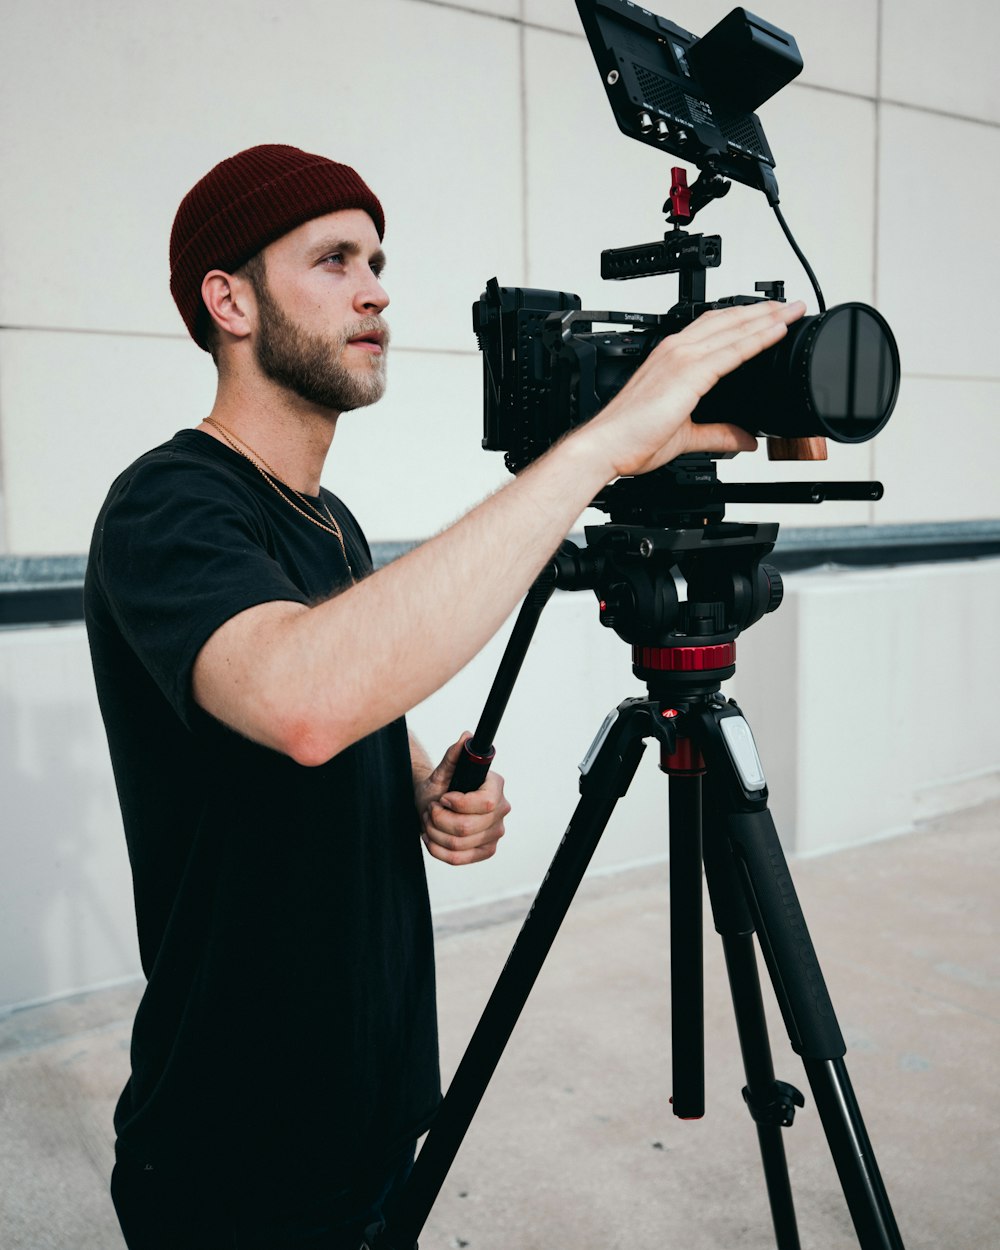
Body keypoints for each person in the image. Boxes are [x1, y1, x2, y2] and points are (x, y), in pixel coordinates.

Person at [84, 143, 803, 1249]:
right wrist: (602, 444)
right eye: (332, 260)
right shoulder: (168, 504)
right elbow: (301, 697)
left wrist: (420, 781)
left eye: (377, 259)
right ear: (227, 298)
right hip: (237, 1151)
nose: (375, 288)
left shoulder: (329, 518)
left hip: (371, 1117)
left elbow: (338, 679)